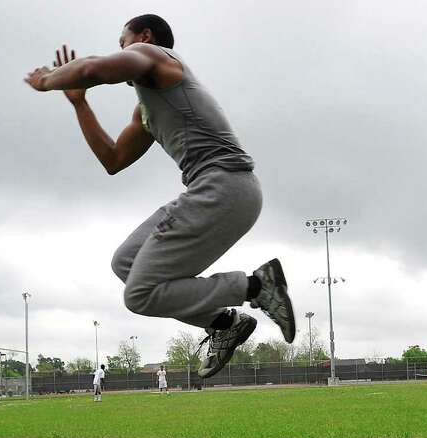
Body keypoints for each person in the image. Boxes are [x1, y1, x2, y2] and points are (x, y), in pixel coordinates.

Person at [25, 14, 295, 380]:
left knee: (140, 296)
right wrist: (79, 104)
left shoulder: (158, 58)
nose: (122, 51)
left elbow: (91, 69)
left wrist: (47, 81)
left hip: (224, 185)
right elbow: (113, 159)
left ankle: (256, 286)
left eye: (124, 43)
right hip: (212, 189)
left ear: (145, 37)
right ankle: (223, 323)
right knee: (126, 262)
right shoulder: (146, 109)